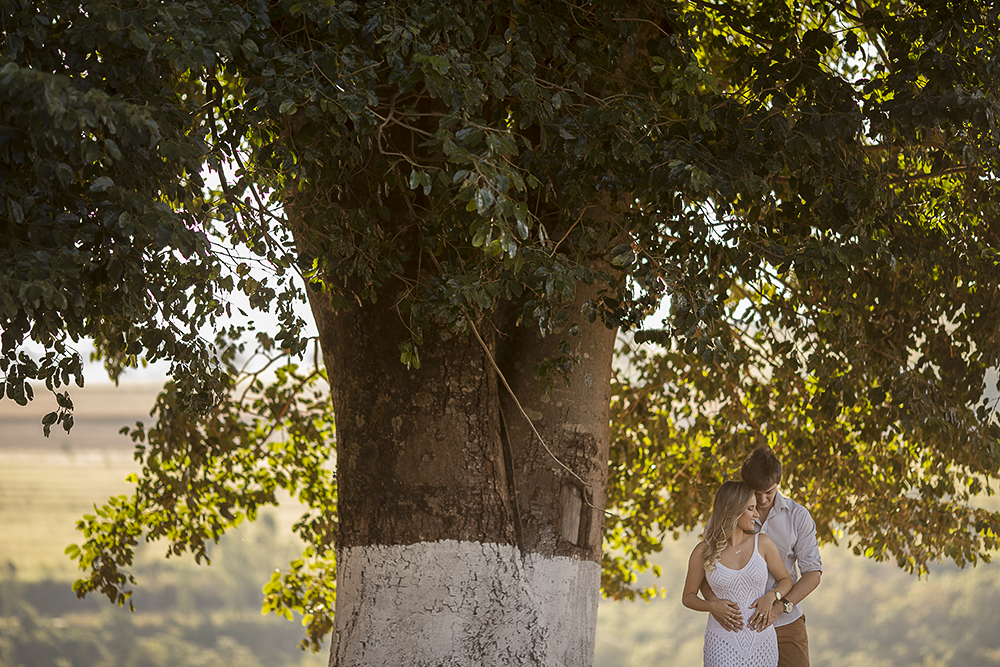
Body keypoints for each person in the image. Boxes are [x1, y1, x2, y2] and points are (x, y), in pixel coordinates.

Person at [682, 481, 794, 667]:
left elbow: (786, 580)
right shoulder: (703, 551)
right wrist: (712, 606)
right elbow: (688, 597)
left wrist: (772, 596)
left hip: (762, 641)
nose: (757, 515)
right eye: (751, 509)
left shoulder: (763, 543)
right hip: (721, 641)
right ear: (733, 509)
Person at [739, 446, 823, 667]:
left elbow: (813, 574)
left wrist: (780, 607)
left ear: (778, 483)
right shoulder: (729, 515)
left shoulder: (798, 516)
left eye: (770, 491)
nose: (764, 499)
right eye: (757, 494)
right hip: (742, 627)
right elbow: (710, 561)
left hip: (787, 624)